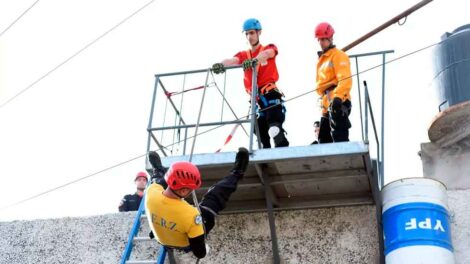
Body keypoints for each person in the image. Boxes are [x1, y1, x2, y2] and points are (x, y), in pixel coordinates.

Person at [145, 148, 249, 259]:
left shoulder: (151, 192)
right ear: (184, 191)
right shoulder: (191, 215)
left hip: (161, 238)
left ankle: (158, 170)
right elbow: (200, 253)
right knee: (213, 200)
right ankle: (237, 173)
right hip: (184, 244)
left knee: (157, 180)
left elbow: (159, 183)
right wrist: (205, 248)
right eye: (191, 189)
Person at [212, 18, 289, 149]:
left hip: (270, 95)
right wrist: (221, 65)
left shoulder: (269, 47)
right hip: (256, 100)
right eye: (247, 33)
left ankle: (283, 150)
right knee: (260, 134)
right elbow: (232, 60)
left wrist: (255, 60)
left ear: (259, 33)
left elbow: (267, 54)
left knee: (274, 129)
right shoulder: (244, 55)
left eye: (252, 33)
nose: (249, 36)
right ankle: (267, 160)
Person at [314, 22, 353, 143]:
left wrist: (338, 98)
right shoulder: (322, 59)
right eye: (319, 39)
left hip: (338, 101)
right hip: (326, 104)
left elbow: (345, 79)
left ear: (330, 38)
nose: (321, 42)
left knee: (339, 136)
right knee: (323, 140)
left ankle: (344, 158)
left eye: (323, 39)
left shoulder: (338, 56)